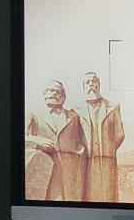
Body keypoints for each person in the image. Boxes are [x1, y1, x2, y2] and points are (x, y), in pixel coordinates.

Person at [25, 80, 87, 201]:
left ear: (63, 97)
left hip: (71, 168)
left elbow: (81, 139)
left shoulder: (73, 116)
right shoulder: (34, 114)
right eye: (50, 90)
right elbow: (22, 138)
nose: (53, 93)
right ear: (44, 94)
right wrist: (37, 143)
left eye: (57, 92)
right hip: (47, 166)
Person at [75, 70, 125, 202]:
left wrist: (108, 148)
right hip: (86, 160)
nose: (91, 84)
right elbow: (74, 136)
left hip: (107, 159)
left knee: (107, 194)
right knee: (86, 194)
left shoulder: (113, 107)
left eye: (94, 81)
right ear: (83, 86)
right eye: (87, 82)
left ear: (99, 84)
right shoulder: (75, 111)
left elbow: (119, 133)